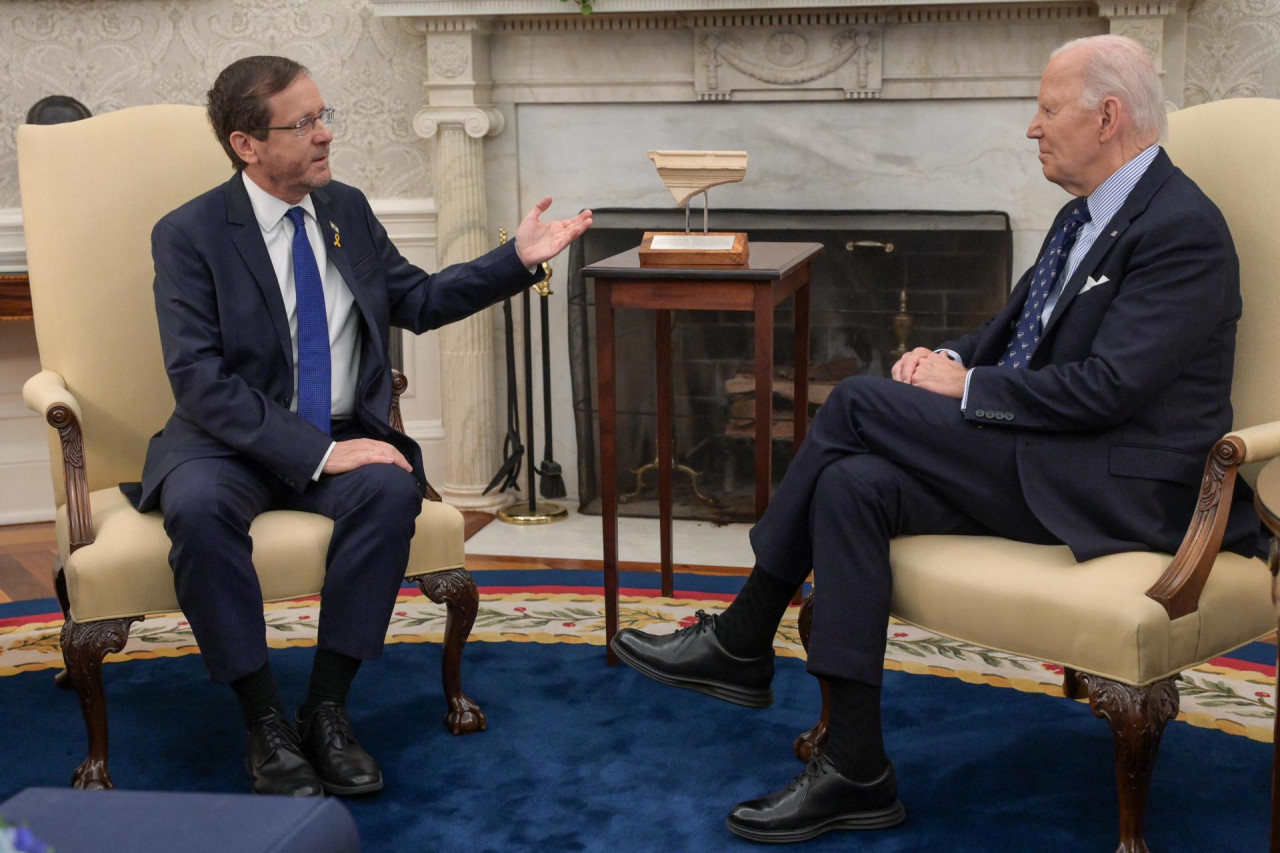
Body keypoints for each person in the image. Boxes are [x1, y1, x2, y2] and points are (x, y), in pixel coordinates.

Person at [611, 34, 1260, 842]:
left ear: (1108, 116)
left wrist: (971, 388)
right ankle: (855, 766)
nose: (1032, 126)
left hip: (1123, 486)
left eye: (1047, 108)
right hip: (1045, 458)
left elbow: (1112, 387)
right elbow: (1013, 329)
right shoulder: (1082, 216)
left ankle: (745, 631)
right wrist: (950, 356)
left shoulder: (1182, 229)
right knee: (852, 487)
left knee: (852, 404)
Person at [129, 55, 591, 797]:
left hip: (342, 426)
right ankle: (264, 721)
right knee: (198, 508)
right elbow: (199, 382)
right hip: (230, 442)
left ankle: (327, 709)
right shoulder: (189, 234)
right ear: (248, 145)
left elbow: (420, 299)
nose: (325, 135)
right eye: (304, 123)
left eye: (325, 116)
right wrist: (320, 452)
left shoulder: (345, 209)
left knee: (389, 488)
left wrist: (516, 260)